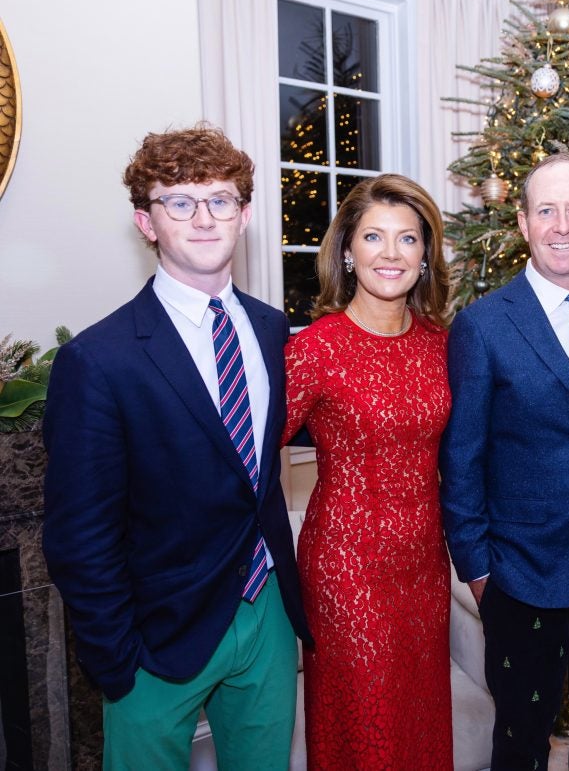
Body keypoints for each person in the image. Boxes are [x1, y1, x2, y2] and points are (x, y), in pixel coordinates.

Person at [42, 124, 311, 770]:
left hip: (265, 611)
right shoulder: (97, 360)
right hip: (154, 637)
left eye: (220, 199)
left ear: (244, 215)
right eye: (179, 202)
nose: (203, 217)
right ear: (146, 221)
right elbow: (79, 534)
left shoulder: (276, 331)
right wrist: (116, 660)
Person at [440, 153, 569, 771]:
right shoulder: (482, 326)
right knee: (522, 742)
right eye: (547, 211)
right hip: (522, 574)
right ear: (524, 224)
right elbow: (462, 460)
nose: (563, 225)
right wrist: (479, 572)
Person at [282, 174, 453, 770]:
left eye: (408, 239)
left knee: (420, 720)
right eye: (374, 237)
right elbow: (245, 457)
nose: (391, 253)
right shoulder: (316, 348)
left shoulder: (440, 345)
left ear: (425, 255)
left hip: (425, 567)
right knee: (366, 729)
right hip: (346, 570)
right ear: (348, 252)